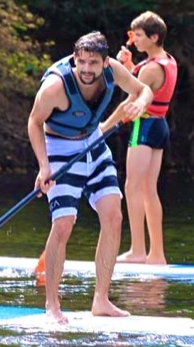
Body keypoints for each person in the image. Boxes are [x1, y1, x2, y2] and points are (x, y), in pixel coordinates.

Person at [28, 31, 154, 323]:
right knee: (63, 225)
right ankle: (52, 306)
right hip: (59, 147)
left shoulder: (114, 71)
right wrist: (43, 167)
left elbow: (143, 90)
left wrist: (140, 104)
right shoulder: (55, 87)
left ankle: (101, 300)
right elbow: (34, 123)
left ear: (105, 63)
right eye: (81, 62)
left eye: (93, 63)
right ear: (74, 59)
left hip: (95, 144)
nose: (86, 69)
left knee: (113, 216)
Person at [101, 11, 177, 265]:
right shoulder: (166, 61)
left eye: (140, 35)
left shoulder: (151, 68)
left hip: (143, 127)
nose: (135, 39)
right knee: (148, 190)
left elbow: (129, 104)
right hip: (160, 126)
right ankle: (157, 255)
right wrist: (131, 66)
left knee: (132, 187)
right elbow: (148, 84)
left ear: (154, 37)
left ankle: (137, 251)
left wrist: (103, 127)